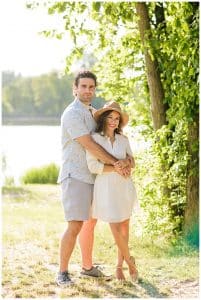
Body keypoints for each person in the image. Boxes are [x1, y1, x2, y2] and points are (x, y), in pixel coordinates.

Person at [56, 70, 133, 285]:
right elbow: (89, 144)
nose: (88, 90)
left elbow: (106, 137)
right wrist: (116, 164)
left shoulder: (93, 113)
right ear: (75, 89)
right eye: (83, 86)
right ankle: (62, 272)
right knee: (75, 224)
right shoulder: (72, 114)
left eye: (91, 87)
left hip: (94, 177)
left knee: (90, 224)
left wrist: (125, 159)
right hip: (76, 175)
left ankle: (87, 267)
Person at [86, 101, 139, 281]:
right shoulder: (95, 139)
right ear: (103, 118)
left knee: (124, 226)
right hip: (106, 188)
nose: (113, 121)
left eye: (117, 119)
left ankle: (119, 267)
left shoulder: (124, 139)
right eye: (110, 117)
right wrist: (116, 167)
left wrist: (126, 162)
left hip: (124, 186)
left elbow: (132, 161)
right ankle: (131, 263)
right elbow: (93, 166)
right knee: (115, 226)